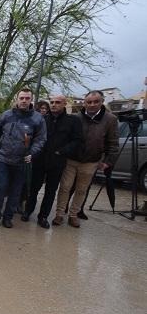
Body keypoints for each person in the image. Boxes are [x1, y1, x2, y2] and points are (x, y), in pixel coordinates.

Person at [53, 90, 119, 228]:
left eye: (96, 102)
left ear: (102, 102)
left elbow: (113, 143)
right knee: (65, 187)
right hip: (71, 160)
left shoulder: (110, 119)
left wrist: (107, 161)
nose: (92, 104)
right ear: (84, 103)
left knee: (81, 190)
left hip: (91, 161)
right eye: (89, 102)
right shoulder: (76, 118)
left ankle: (73, 215)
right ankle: (59, 214)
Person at [22, 95, 83, 228]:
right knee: (33, 188)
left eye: (57, 102)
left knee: (50, 191)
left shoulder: (72, 121)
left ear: (64, 104)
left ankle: (43, 216)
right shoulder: (43, 119)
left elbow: (77, 140)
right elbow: (35, 137)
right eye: (52, 102)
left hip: (57, 161)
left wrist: (62, 151)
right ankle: (27, 211)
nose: (54, 104)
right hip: (40, 159)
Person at [0, 88, 46, 228]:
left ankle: (8, 217)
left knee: (15, 191)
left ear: (31, 100)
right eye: (21, 98)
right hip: (3, 158)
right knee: (0, 188)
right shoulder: (6, 115)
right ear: (17, 99)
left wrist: (32, 152)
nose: (24, 101)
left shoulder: (37, 118)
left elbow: (41, 139)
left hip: (21, 161)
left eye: (27, 98)